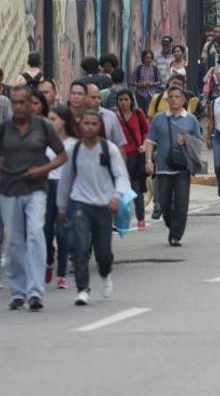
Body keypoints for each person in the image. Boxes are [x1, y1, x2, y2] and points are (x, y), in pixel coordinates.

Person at [0, 86, 68, 311]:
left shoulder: (43, 127)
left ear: (31, 104)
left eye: (23, 102)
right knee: (14, 242)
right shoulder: (2, 130)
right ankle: (18, 291)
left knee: (35, 235)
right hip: (10, 190)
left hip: (37, 189)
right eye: (15, 102)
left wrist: (43, 170)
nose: (18, 106)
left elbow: (62, 155)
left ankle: (35, 292)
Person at [57, 110, 129, 306]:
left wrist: (116, 196)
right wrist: (62, 207)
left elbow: (122, 176)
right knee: (80, 247)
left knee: (103, 252)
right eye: (86, 123)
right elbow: (66, 179)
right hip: (80, 203)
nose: (89, 127)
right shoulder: (75, 150)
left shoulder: (109, 149)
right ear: (80, 126)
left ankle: (105, 274)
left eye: (93, 124)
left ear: (100, 127)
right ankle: (82, 289)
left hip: (104, 205)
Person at [146, 86, 202, 246]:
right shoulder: (159, 119)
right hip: (163, 167)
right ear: (167, 100)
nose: (174, 100)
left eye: (178, 97)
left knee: (181, 202)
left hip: (182, 168)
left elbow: (198, 143)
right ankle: (172, 224)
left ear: (183, 100)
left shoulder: (191, 120)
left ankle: (176, 234)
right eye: (171, 97)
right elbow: (150, 141)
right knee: (163, 203)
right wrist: (148, 161)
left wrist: (186, 140)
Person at [45, 105, 76, 289]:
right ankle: (49, 260)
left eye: (53, 119)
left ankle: (62, 273)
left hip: (66, 190)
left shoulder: (74, 143)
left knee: (63, 233)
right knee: (46, 231)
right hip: (47, 187)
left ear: (63, 121)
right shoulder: (44, 142)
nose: (50, 123)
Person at [116, 90, 149, 229]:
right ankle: (122, 219)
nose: (123, 103)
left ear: (131, 101)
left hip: (136, 155)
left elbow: (147, 131)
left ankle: (141, 219)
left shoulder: (138, 114)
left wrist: (144, 145)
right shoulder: (115, 117)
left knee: (136, 188)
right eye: (120, 100)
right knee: (121, 189)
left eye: (126, 99)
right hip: (120, 157)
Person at [85, 84, 127, 150]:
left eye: (99, 98)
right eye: (93, 97)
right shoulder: (77, 117)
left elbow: (120, 144)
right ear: (85, 98)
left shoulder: (111, 116)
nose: (97, 101)